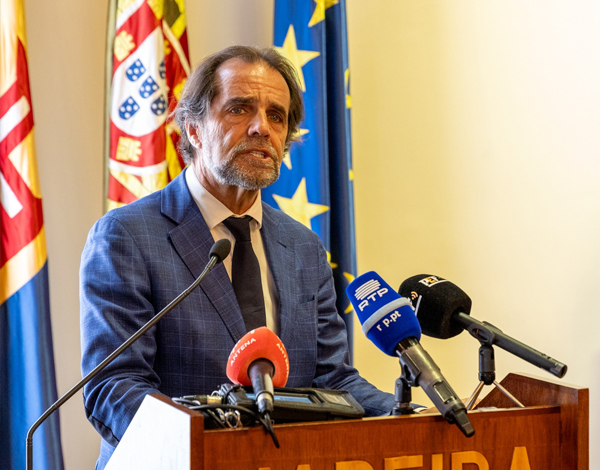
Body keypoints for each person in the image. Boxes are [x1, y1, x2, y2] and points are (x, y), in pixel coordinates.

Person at [80, 45, 394, 469]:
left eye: (276, 116)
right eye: (239, 109)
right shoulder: (127, 236)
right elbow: (115, 386)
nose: (262, 128)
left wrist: (409, 414)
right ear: (194, 129)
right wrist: (213, 442)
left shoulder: (304, 247)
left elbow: (332, 379)